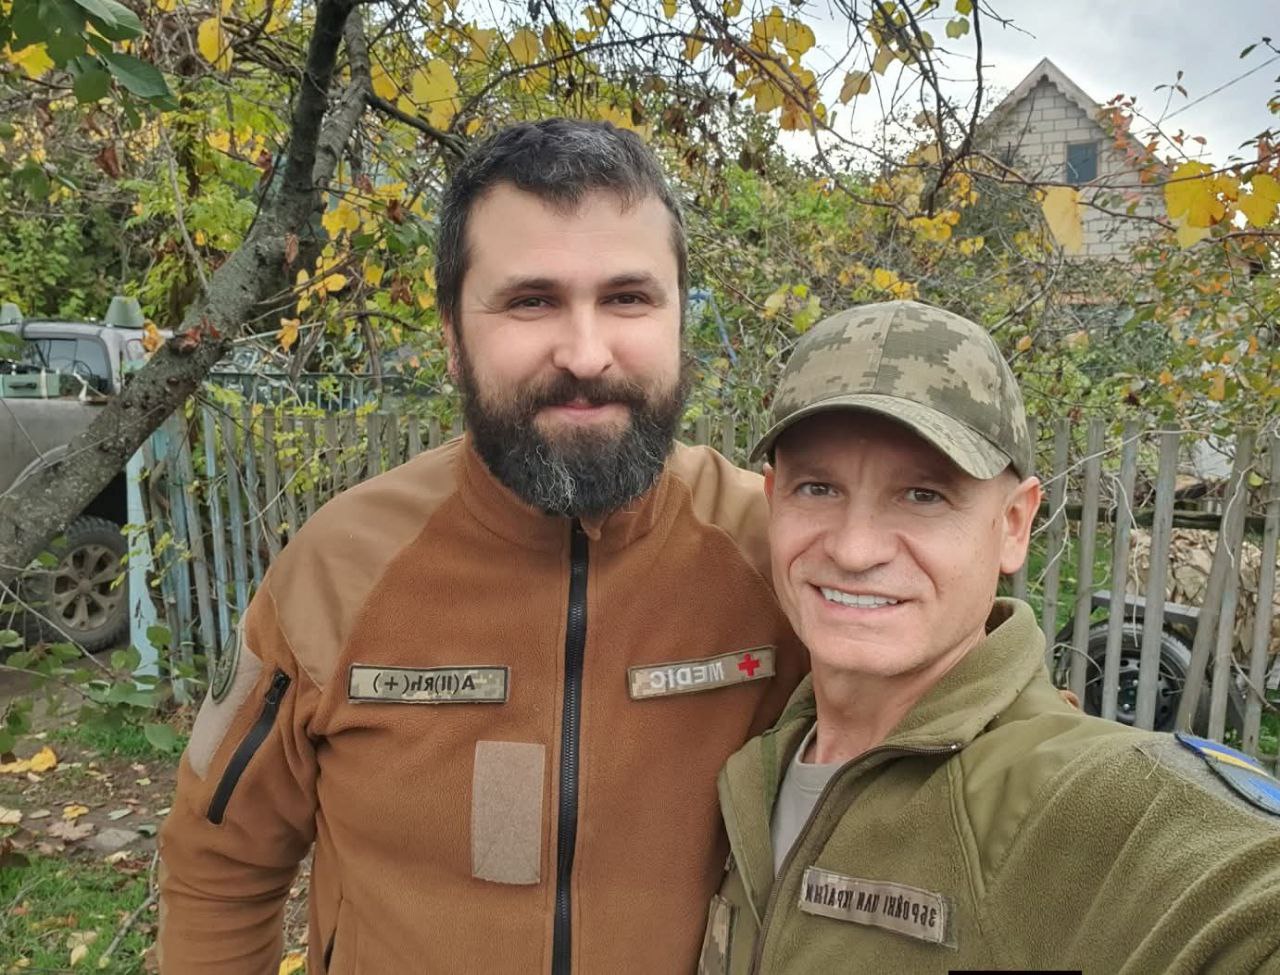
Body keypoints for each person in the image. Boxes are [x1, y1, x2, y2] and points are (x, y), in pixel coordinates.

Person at [157, 119, 806, 974]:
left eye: (628, 298)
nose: (586, 353)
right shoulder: (338, 570)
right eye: (531, 300)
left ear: (680, 317)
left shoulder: (786, 556)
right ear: (452, 339)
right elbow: (217, 862)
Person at [699, 300, 1280, 974]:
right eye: (818, 488)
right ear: (772, 500)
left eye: (923, 495)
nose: (855, 549)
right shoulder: (755, 764)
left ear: (1013, 524)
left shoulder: (1081, 797)